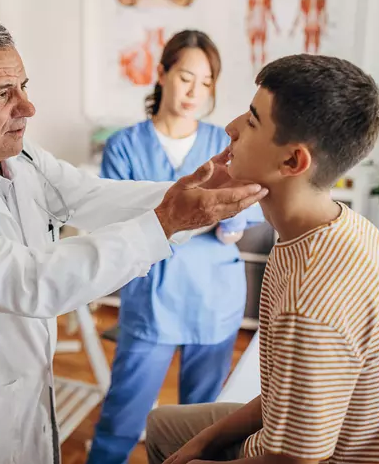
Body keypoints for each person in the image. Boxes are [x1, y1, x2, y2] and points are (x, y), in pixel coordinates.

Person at [0, 18, 267, 464]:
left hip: (28, 393)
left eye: (23, 86)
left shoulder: (22, 160)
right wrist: (166, 221)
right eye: (4, 94)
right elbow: (33, 282)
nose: (28, 107)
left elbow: (93, 196)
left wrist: (180, 196)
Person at [145, 54, 379, 464]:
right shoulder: (340, 229)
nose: (231, 127)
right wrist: (202, 442)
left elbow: (296, 460)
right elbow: (288, 397)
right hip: (292, 435)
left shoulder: (312, 300)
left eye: (253, 121)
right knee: (164, 425)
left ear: (293, 161)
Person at [87, 30, 265, 464]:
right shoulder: (125, 145)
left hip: (214, 300)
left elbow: (255, 203)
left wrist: (235, 216)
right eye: (186, 77)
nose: (195, 92)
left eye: (206, 83)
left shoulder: (225, 143)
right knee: (121, 419)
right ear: (162, 74)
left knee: (200, 429)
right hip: (152, 302)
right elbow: (113, 217)